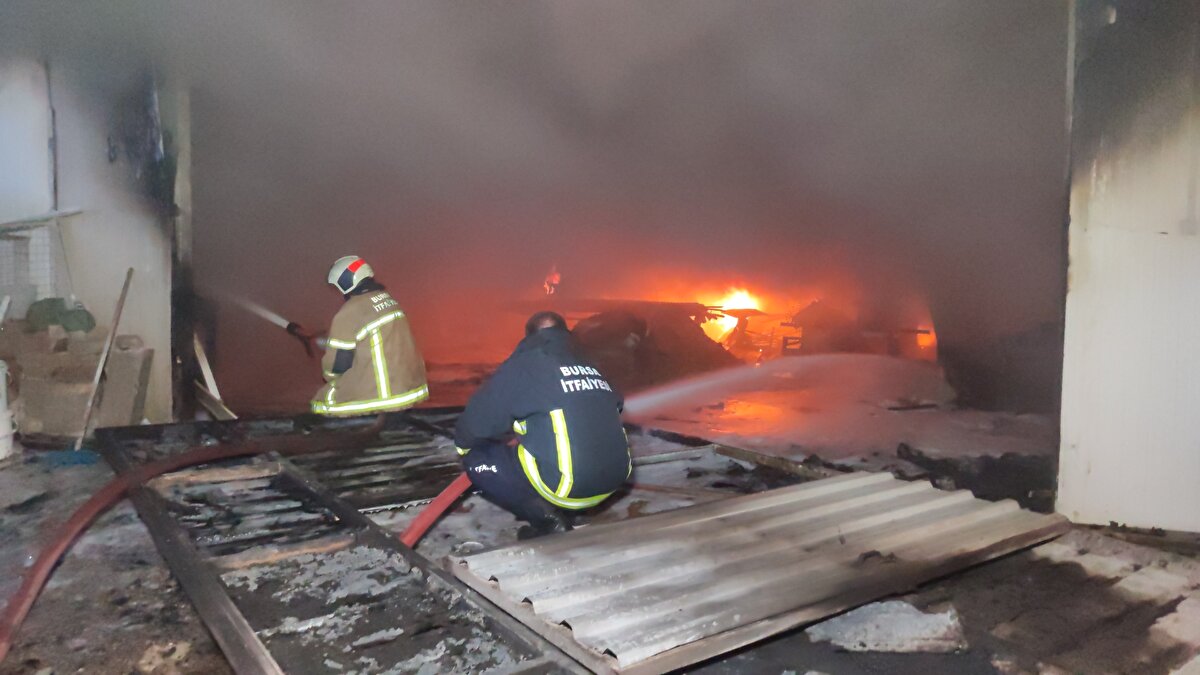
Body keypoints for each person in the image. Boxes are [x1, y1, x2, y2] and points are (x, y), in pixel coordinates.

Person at [454, 311, 631, 538]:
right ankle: (575, 508)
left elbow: (478, 421)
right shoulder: (590, 364)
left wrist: (464, 448)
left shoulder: (526, 365)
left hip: (570, 487)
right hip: (615, 478)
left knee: (478, 459)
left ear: (529, 337)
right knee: (559, 438)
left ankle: (547, 520)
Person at [308, 256, 428, 416]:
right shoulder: (389, 301)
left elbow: (339, 363)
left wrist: (329, 377)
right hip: (410, 389)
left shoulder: (351, 311)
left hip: (385, 396)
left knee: (321, 401)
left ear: (345, 283)